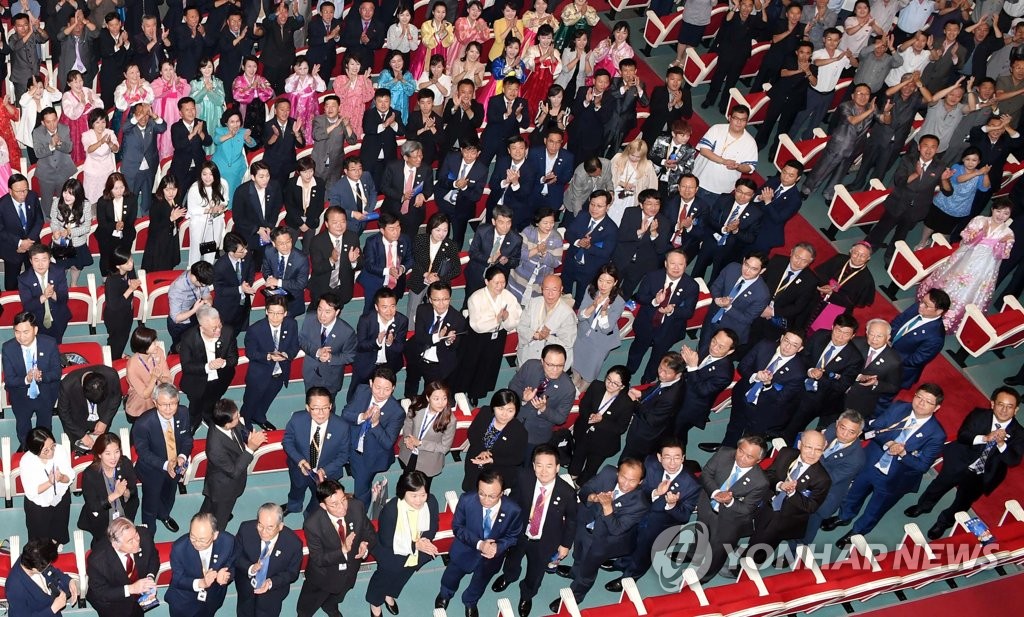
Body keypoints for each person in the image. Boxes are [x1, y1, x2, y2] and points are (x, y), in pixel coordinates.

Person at [829, 383, 948, 547]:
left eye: (928, 401)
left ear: (937, 408)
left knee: (875, 509)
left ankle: (856, 533)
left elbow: (922, 466)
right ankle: (844, 516)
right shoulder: (899, 408)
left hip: (895, 479)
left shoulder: (936, 434)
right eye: (919, 397)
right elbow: (875, 428)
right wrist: (889, 443)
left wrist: (903, 453)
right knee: (854, 494)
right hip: (871, 462)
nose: (921, 403)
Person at [914, 387, 1022, 534]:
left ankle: (944, 522)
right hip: (959, 461)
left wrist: (1001, 443)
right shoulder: (979, 415)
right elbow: (963, 435)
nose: (1004, 410)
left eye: (1009, 407)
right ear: (992, 404)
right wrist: (985, 438)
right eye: (1000, 404)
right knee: (938, 485)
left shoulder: (1019, 433)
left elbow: (1013, 460)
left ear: (1016, 410)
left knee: (962, 502)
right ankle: (923, 506)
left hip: (982, 474)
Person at [549, 458, 647, 612]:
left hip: (604, 541)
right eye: (623, 477)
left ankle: (576, 595)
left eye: (632, 481)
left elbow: (616, 529)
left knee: (587, 572)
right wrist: (593, 497)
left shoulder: (640, 504)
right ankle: (575, 572)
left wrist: (607, 507)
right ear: (617, 472)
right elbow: (585, 490)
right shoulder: (608, 473)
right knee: (578, 553)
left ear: (640, 482)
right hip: (584, 524)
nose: (626, 484)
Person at [492, 444, 578, 616]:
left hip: (546, 540)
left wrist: (565, 545)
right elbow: (513, 502)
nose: (544, 471)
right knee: (512, 558)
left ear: (557, 467)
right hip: (520, 533)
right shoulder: (523, 478)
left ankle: (527, 594)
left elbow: (572, 520)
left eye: (549, 466)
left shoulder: (567, 492)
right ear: (533, 466)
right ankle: (509, 576)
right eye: (539, 465)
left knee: (536, 571)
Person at [606, 440, 701, 589]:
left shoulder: (692, 485)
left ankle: (630, 577)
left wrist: (672, 505)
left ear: (683, 458)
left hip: (659, 526)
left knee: (643, 551)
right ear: (659, 457)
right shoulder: (650, 463)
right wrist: (656, 492)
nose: (672, 463)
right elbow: (639, 488)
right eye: (667, 457)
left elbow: (684, 517)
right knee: (629, 540)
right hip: (637, 513)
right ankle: (622, 563)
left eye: (677, 457)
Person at [436, 469, 524, 617]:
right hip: (464, 550)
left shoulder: (513, 510)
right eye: (481, 493)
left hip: (491, 558)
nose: (486, 500)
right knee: (451, 576)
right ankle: (445, 593)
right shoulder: (467, 500)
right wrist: (480, 544)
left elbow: (513, 536)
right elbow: (458, 527)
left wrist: (498, 547)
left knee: (480, 582)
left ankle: (470, 601)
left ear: (502, 493)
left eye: (492, 496)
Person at [919, 200, 1016, 331]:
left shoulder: (1008, 233)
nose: (1001, 215)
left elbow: (1003, 255)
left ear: (1009, 215)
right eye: (998, 211)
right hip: (966, 257)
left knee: (971, 289)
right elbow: (965, 237)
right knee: (950, 279)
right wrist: (980, 233)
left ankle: (951, 316)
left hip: (985, 266)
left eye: (1006, 213)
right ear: (992, 209)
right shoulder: (979, 220)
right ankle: (933, 304)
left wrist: (1000, 243)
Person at [690, 435, 770, 582]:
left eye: (749, 457)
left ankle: (705, 576)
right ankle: (693, 555)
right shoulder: (724, 453)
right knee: (700, 532)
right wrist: (715, 493)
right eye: (740, 451)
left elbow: (747, 509)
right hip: (707, 506)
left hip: (729, 521)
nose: (741, 458)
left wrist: (730, 501)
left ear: (758, 460)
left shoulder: (760, 482)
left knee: (717, 551)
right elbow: (706, 473)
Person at [865, 135, 955, 257]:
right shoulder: (908, 160)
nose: (929, 150)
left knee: (900, 236)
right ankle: (865, 251)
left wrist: (944, 180)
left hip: (917, 209)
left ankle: (890, 258)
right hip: (898, 203)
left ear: (937, 149)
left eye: (933, 147)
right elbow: (899, 181)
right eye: (925, 146)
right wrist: (916, 174)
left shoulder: (940, 166)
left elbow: (948, 192)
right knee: (881, 230)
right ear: (919, 147)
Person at [298, 480, 377, 617]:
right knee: (307, 606)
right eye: (334, 504)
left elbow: (370, 533)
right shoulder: (313, 524)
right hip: (323, 576)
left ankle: (330, 607)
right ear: (323, 506)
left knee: (337, 597)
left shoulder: (356, 507)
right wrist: (343, 550)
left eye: (343, 500)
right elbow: (318, 558)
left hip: (349, 571)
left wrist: (365, 544)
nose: (342, 507)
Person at [366, 470, 440, 616]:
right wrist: (415, 545)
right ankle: (375, 602)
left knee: (402, 577)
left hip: (416, 554)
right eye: (414, 495)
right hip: (391, 553)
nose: (419, 500)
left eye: (423, 495)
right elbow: (387, 540)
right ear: (403, 492)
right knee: (383, 579)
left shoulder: (431, 502)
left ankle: (389, 594)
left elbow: (433, 526)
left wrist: (425, 541)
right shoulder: (391, 509)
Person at [782, 314, 863, 442]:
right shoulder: (820, 335)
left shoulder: (855, 358)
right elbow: (803, 356)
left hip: (818, 396)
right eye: (838, 331)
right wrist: (809, 370)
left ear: (853, 336)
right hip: (798, 381)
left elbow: (841, 386)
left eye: (846, 334)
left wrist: (821, 377)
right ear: (832, 327)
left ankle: (784, 442)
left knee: (794, 423)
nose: (840, 336)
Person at [625, 250, 699, 384]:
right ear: (665, 264)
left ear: (685, 265)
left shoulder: (691, 286)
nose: (676, 268)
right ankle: (629, 371)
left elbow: (689, 312)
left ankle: (647, 380)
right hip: (646, 323)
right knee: (637, 349)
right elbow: (640, 296)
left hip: (669, 329)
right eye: (672, 263)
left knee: (658, 357)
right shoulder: (652, 276)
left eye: (680, 264)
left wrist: (672, 310)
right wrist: (655, 300)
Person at [458, 267, 524, 405]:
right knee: (471, 363)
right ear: (487, 282)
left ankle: (477, 393)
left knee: (489, 364)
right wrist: (496, 320)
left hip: (498, 336)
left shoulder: (508, 296)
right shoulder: (476, 297)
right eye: (496, 283)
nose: (500, 286)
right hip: (477, 338)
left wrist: (506, 318)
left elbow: (516, 318)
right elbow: (477, 325)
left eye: (503, 282)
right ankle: (462, 390)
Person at [133, 383, 193, 532]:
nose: (169, 409)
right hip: (152, 470)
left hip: (176, 466)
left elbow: (187, 439)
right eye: (164, 404)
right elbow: (143, 453)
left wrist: (182, 457)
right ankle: (149, 533)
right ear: (155, 402)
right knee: (150, 503)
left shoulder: (183, 412)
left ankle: (164, 515)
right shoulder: (143, 424)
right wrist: (166, 465)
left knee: (169, 495)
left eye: (173, 403)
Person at [283, 387, 351, 516]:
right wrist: (300, 461)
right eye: (315, 408)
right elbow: (287, 441)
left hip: (327, 474)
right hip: (300, 468)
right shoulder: (297, 419)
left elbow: (344, 455)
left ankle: (310, 515)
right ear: (307, 408)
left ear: (331, 406)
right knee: (296, 488)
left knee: (319, 498)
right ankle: (294, 505)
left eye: (325, 408)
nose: (321, 413)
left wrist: (325, 470)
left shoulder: (341, 426)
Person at [201, 399, 267, 528]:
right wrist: (250, 449)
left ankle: (203, 517)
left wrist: (250, 437)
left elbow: (241, 430)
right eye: (236, 417)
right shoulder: (215, 448)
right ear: (227, 424)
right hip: (223, 489)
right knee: (220, 520)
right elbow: (234, 472)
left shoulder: (225, 420)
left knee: (209, 506)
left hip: (218, 485)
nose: (239, 417)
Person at [343, 366, 405, 505]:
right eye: (377, 387)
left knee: (361, 489)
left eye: (387, 389)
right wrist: (362, 416)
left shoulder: (397, 412)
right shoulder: (361, 391)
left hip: (370, 457)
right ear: (371, 383)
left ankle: (362, 510)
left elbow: (388, 442)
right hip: (351, 445)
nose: (381, 393)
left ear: (393, 388)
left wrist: (376, 424)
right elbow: (345, 414)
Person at [2, 311, 61, 450]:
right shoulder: (8, 348)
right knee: (23, 427)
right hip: (20, 395)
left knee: (45, 427)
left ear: (35, 330)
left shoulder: (49, 344)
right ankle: (26, 448)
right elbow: (9, 380)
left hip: (45, 393)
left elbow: (56, 373)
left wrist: (42, 377)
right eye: (17, 332)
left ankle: (44, 449)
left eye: (26, 332)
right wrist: (26, 379)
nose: (21, 337)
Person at [509, 344, 576, 462]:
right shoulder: (530, 366)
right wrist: (523, 397)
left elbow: (561, 418)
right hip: (514, 421)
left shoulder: (568, 388)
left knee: (526, 462)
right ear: (542, 361)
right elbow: (513, 385)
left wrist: (544, 409)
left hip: (536, 435)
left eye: (560, 365)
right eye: (550, 365)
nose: (555, 370)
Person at [568, 365, 634, 486]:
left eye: (615, 383)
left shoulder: (626, 404)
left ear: (623, 386)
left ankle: (580, 484)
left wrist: (601, 421)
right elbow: (584, 405)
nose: (610, 384)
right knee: (577, 455)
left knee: (591, 467)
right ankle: (572, 475)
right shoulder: (596, 386)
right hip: (583, 432)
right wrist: (589, 416)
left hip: (603, 442)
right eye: (608, 379)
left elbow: (620, 428)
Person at [242, 295, 300, 430]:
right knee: (250, 402)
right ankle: (245, 423)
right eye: (271, 312)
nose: (275, 317)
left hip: (280, 372)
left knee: (268, 398)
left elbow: (295, 346)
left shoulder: (291, 324)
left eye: (279, 313)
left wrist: (287, 355)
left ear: (285, 313)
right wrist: (268, 356)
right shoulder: (255, 329)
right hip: (259, 374)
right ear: (266, 311)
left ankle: (259, 417)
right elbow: (250, 353)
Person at [233, 504, 303, 617]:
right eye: (260, 525)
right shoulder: (246, 529)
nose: (263, 531)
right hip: (246, 586)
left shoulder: (293, 543)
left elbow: (292, 573)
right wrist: (250, 568)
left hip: (273, 592)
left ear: (280, 526)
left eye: (270, 527)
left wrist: (271, 582)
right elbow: (236, 555)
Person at [690, 178, 763, 282]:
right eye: (739, 192)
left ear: (753, 195)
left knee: (717, 278)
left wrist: (736, 230)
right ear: (735, 190)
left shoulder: (756, 213)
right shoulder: (724, 199)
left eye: (747, 194)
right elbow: (710, 219)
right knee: (697, 271)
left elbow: (751, 238)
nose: (742, 196)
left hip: (730, 249)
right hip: (711, 240)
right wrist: (724, 228)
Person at [698, 251, 772, 355]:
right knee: (702, 347)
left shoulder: (762, 294)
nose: (747, 271)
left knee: (715, 356)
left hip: (730, 330)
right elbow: (716, 286)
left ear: (762, 270)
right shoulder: (731, 268)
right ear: (743, 260)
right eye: (746, 265)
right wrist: (718, 298)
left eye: (754, 269)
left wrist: (728, 307)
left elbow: (747, 319)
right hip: (712, 317)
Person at [178, 305, 238, 431]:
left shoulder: (228, 332)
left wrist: (223, 363)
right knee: (195, 404)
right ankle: (195, 419)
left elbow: (233, 358)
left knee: (213, 400)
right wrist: (207, 366)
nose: (219, 330)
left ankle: (208, 415)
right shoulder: (188, 338)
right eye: (214, 328)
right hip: (197, 381)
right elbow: (187, 366)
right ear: (202, 327)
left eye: (219, 325)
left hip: (221, 378)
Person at [165, 512, 237, 617]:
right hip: (185, 603)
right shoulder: (179, 548)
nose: (197, 543)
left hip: (213, 599)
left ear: (215, 535)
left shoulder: (228, 541)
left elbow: (234, 562)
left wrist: (227, 574)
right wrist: (201, 583)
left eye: (202, 540)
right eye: (193, 537)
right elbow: (178, 579)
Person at [85, 518, 159, 617]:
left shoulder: (144, 535)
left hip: (138, 600)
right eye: (130, 541)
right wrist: (131, 589)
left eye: (136, 535)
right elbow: (101, 593)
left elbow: (153, 558)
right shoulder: (97, 561)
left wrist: (150, 578)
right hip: (112, 605)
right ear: (116, 545)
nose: (137, 542)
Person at [404, 282, 467, 397]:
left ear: (450, 298)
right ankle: (409, 401)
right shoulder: (422, 310)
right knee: (411, 382)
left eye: (445, 299)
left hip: (437, 363)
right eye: (436, 300)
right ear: (430, 299)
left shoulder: (458, 319)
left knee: (431, 392)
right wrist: (438, 337)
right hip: (417, 354)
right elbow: (420, 337)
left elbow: (455, 347)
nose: (441, 304)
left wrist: (448, 341)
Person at [78, 433, 140, 547]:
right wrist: (115, 494)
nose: (113, 457)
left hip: (124, 511)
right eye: (108, 453)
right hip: (102, 517)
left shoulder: (125, 463)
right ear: (99, 454)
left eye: (117, 452)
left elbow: (133, 492)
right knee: (101, 544)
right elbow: (93, 506)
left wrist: (125, 492)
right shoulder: (90, 474)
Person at [572, 265, 627, 392]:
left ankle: (580, 391)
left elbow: (606, 329)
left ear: (615, 283)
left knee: (590, 370)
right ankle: (574, 381)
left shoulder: (618, 302)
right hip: (583, 333)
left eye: (608, 282)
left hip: (601, 341)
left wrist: (603, 312)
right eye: (601, 280)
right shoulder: (590, 290)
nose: (603, 285)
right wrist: (593, 306)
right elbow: (580, 316)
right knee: (576, 361)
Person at [751, 244, 819, 345]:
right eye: (797, 257)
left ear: (810, 262)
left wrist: (772, 312)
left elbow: (798, 307)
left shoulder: (810, 280)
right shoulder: (777, 261)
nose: (798, 262)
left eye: (804, 261)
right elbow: (759, 282)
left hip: (778, 318)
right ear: (791, 252)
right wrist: (762, 306)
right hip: (758, 305)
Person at [299, 291, 357, 405]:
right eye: (320, 310)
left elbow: (350, 356)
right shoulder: (310, 319)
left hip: (330, 378)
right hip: (310, 373)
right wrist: (317, 352)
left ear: (337, 312)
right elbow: (301, 340)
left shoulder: (347, 332)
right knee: (311, 403)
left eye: (327, 312)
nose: (322, 315)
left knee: (328, 406)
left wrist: (331, 358)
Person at [398, 381, 457, 491]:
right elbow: (408, 423)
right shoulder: (417, 405)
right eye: (436, 399)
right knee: (405, 481)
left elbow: (445, 447)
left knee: (422, 488)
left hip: (429, 460)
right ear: (427, 397)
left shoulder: (450, 420)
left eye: (444, 398)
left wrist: (420, 443)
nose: (441, 403)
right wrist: (407, 438)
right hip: (409, 451)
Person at [350, 288, 409, 401]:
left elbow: (400, 347)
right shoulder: (366, 320)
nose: (389, 311)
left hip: (389, 365)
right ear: (377, 307)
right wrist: (377, 342)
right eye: (384, 307)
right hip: (367, 363)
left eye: (392, 306)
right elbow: (360, 345)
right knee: (357, 394)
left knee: (384, 395)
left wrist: (390, 343)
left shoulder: (402, 320)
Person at [21, 427, 76, 546]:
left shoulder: (60, 450)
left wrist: (61, 478)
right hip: (38, 503)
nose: (51, 452)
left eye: (52, 446)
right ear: (35, 451)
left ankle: (56, 543)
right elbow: (31, 491)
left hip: (60, 496)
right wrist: (50, 483)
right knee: (39, 532)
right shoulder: (26, 461)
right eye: (45, 450)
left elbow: (70, 476)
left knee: (60, 523)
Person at [563, 189, 618, 306]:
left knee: (581, 299)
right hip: (571, 262)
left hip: (589, 269)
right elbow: (568, 233)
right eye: (592, 204)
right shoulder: (582, 215)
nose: (594, 209)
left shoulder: (611, 228)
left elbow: (607, 253)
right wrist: (578, 242)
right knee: (563, 294)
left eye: (599, 206)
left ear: (608, 206)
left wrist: (589, 247)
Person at [612, 189, 670, 297]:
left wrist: (654, 234)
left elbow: (661, 249)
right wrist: (639, 232)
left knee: (626, 292)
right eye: (649, 204)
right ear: (641, 204)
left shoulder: (664, 222)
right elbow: (621, 236)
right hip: (622, 259)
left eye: (657, 204)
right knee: (610, 287)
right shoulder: (630, 212)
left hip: (641, 265)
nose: (653, 207)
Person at [692, 105, 758, 201]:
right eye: (736, 118)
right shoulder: (717, 129)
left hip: (722, 190)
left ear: (747, 122)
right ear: (729, 118)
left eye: (743, 120)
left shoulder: (750, 142)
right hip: (699, 179)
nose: (739, 122)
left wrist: (738, 167)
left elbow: (750, 167)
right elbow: (704, 150)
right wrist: (724, 161)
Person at [889, 288, 950, 389]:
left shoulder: (936, 337)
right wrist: (888, 337)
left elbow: (915, 360)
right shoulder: (917, 307)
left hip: (898, 368)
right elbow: (898, 321)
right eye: (922, 301)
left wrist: (890, 358)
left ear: (939, 311)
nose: (921, 305)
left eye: (926, 305)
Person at [407, 213, 461, 322]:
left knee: (435, 311)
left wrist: (439, 278)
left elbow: (457, 269)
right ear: (431, 228)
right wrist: (426, 274)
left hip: (439, 283)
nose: (441, 234)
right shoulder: (420, 239)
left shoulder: (451, 246)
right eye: (438, 230)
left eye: (445, 230)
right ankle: (411, 330)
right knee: (413, 310)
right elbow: (412, 260)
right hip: (419, 278)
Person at [7, 537, 81, 615]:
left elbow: (52, 572)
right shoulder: (14, 589)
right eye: (48, 564)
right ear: (35, 569)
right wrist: (53, 608)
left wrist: (69, 581)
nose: (50, 565)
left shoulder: (30, 556)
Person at [516, 275, 578, 368]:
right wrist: (534, 335)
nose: (550, 294)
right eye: (546, 289)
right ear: (542, 289)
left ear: (561, 289)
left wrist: (548, 337)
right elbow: (521, 327)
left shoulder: (567, 314)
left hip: (551, 362)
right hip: (528, 355)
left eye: (554, 290)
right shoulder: (533, 303)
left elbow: (567, 343)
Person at [810, 241, 876, 328]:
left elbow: (851, 302)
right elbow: (822, 274)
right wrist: (825, 285)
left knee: (818, 329)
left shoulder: (867, 280)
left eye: (863, 255)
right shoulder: (839, 258)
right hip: (820, 294)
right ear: (850, 251)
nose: (858, 257)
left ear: (868, 258)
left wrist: (832, 294)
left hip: (838, 306)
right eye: (856, 253)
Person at [57, 364, 120, 453]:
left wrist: (105, 421)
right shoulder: (67, 385)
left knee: (100, 449)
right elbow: (63, 413)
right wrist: (81, 435)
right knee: (77, 450)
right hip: (77, 420)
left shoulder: (111, 375)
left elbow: (116, 397)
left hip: (101, 417)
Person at [358, 213, 414, 311]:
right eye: (391, 229)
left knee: (389, 311)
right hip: (375, 281)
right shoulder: (372, 242)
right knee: (370, 312)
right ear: (382, 230)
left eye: (398, 227)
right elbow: (369, 265)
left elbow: (410, 259)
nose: (396, 232)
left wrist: (402, 268)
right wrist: (388, 271)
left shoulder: (405, 239)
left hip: (396, 283)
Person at [19, 242, 72, 343]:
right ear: (30, 261)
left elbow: (64, 298)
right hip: (36, 320)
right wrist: (44, 296)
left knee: (57, 343)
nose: (40, 264)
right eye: (36, 260)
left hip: (58, 316)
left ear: (49, 259)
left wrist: (53, 294)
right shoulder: (24, 279)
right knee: (40, 344)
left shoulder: (58, 271)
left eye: (44, 260)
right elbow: (27, 306)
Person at [507, 208, 564, 302]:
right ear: (537, 223)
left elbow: (556, 262)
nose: (549, 226)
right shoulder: (528, 232)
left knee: (534, 304)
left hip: (541, 279)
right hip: (521, 274)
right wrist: (537, 249)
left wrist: (544, 253)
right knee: (513, 301)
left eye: (552, 222)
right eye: (545, 223)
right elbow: (519, 253)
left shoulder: (556, 238)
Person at [466, 205, 521, 300]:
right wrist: (489, 259)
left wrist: (507, 261)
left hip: (497, 279)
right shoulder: (482, 231)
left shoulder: (516, 239)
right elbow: (473, 252)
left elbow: (516, 261)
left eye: (508, 222)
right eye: (501, 222)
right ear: (493, 222)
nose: (505, 227)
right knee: (471, 299)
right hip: (477, 273)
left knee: (491, 301)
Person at [381, 141, 435, 238]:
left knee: (409, 240)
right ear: (405, 157)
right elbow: (384, 187)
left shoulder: (426, 169)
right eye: (415, 157)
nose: (419, 159)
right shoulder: (393, 167)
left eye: (421, 156)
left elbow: (429, 188)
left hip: (414, 212)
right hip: (393, 210)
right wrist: (402, 196)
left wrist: (423, 195)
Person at [0, 173, 45, 291]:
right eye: (18, 191)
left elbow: (39, 220)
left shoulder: (32, 196)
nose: (23, 194)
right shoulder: (2, 205)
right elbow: (1, 230)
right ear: (10, 191)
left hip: (32, 245)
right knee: (11, 284)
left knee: (35, 278)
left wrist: (28, 242)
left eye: (25, 190)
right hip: (12, 249)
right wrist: (20, 243)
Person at [48, 180, 94, 289]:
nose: (67, 196)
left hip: (78, 242)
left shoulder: (85, 205)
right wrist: (55, 231)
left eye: (71, 194)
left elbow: (86, 227)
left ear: (78, 195)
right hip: (61, 242)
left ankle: (73, 284)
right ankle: (61, 285)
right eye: (65, 192)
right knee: (61, 267)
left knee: (76, 266)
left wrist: (70, 232)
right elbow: (54, 221)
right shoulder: (57, 202)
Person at [32, 108, 78, 211]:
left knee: (64, 200)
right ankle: (48, 218)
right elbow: (38, 153)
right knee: (47, 202)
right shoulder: (37, 132)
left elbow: (69, 148)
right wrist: (51, 145)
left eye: (54, 120)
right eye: (48, 122)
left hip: (63, 171)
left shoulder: (64, 129)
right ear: (43, 123)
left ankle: (64, 217)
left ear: (57, 119)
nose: (52, 125)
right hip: (46, 173)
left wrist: (59, 144)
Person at [211, 233, 256, 338]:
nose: (246, 251)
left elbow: (251, 271)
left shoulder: (247, 255)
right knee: (227, 335)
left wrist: (248, 285)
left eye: (245, 248)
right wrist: (240, 289)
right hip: (228, 308)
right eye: (241, 250)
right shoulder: (220, 267)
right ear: (231, 252)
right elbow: (220, 290)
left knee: (239, 328)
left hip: (243, 304)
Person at [186, 161, 230, 267]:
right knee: (196, 248)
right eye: (204, 174)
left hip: (216, 220)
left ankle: (208, 269)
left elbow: (225, 200)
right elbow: (192, 209)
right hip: (199, 221)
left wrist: (220, 207)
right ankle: (193, 269)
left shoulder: (223, 184)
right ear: (200, 174)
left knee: (211, 247)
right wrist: (209, 210)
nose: (207, 178)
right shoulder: (194, 188)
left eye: (211, 174)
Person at [94, 172, 137, 277]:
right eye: (116, 188)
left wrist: (123, 225)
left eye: (122, 187)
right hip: (107, 235)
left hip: (125, 234)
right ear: (110, 189)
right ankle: (106, 279)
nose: (119, 191)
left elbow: (132, 218)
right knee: (106, 258)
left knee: (124, 257)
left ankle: (127, 277)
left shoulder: (131, 198)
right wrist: (115, 226)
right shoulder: (102, 201)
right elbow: (102, 222)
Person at [125, 326, 172, 420]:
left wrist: (160, 377)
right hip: (139, 406)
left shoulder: (158, 352)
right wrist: (154, 378)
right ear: (144, 347)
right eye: (153, 343)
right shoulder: (132, 366)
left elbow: (169, 380)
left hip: (158, 400)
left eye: (155, 341)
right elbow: (145, 395)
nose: (156, 344)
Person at [529, 128, 576, 220]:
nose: (554, 146)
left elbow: (567, 176)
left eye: (558, 142)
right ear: (545, 140)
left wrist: (557, 179)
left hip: (554, 196)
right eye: (551, 141)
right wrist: (543, 179)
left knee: (548, 223)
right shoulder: (534, 153)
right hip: (534, 194)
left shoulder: (568, 157)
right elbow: (529, 174)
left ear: (561, 142)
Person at [361, 90, 404, 186]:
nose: (383, 104)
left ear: (390, 101)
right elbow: (367, 129)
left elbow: (401, 131)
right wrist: (385, 124)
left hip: (389, 157)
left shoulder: (395, 114)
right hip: (371, 157)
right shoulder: (369, 113)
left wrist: (393, 123)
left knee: (387, 185)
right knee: (370, 185)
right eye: (380, 101)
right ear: (375, 101)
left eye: (386, 101)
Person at [141, 175, 184, 272]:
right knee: (158, 269)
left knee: (169, 266)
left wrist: (176, 218)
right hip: (159, 243)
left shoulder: (177, 200)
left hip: (171, 239)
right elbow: (154, 228)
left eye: (174, 189)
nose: (171, 193)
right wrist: (171, 219)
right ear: (162, 189)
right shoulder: (156, 204)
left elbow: (179, 217)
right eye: (167, 190)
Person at [169, 97, 213, 191]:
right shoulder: (176, 127)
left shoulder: (201, 123)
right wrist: (192, 134)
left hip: (199, 166)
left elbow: (208, 142)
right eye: (187, 110)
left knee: (200, 193)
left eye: (193, 109)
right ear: (180, 113)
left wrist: (200, 133)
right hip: (181, 167)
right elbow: (178, 145)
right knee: (180, 194)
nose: (191, 112)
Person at [311, 95, 355, 185]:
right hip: (318, 164)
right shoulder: (318, 120)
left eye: (333, 106)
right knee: (318, 188)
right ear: (324, 108)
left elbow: (352, 141)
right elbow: (316, 136)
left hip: (336, 166)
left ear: (339, 108)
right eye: (327, 106)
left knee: (332, 191)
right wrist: (334, 125)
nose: (330, 109)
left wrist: (347, 125)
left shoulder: (343, 121)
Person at [263, 98, 305, 183]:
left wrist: (297, 133)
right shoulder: (268, 125)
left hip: (287, 164)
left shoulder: (294, 123)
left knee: (285, 188)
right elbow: (266, 145)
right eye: (282, 110)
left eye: (287, 110)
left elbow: (301, 145)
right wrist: (275, 136)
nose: (285, 113)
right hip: (272, 164)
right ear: (275, 111)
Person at [190, 61, 227, 155]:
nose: (207, 70)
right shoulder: (195, 83)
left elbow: (220, 101)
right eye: (204, 67)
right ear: (200, 69)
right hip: (201, 112)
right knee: (202, 134)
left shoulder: (218, 82)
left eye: (209, 67)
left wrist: (209, 91)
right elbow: (193, 100)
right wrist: (205, 89)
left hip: (217, 112)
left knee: (216, 134)